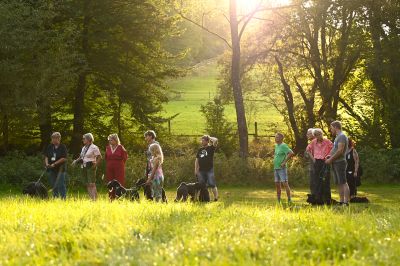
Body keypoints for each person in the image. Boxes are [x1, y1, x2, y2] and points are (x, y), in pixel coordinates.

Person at [325, 121, 350, 206]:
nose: (330, 130)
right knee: (339, 182)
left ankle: (346, 202)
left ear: (336, 127)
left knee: (343, 182)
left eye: (331, 128)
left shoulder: (342, 136)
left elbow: (340, 151)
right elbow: (336, 149)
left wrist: (330, 159)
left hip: (340, 162)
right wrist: (329, 155)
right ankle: (341, 201)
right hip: (335, 162)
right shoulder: (337, 137)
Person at [306, 128, 333, 203]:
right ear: (315, 136)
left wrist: (329, 156)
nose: (319, 136)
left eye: (320, 134)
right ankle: (318, 199)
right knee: (317, 181)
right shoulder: (313, 142)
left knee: (326, 180)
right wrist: (313, 159)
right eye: (317, 135)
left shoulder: (327, 141)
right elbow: (308, 150)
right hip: (317, 162)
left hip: (325, 161)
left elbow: (333, 149)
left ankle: (327, 199)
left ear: (322, 134)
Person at [72, 133, 102, 201]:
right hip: (84, 166)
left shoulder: (94, 147)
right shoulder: (84, 147)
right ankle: (91, 199)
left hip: (91, 165)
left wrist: (95, 165)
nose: (82, 140)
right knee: (87, 184)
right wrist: (75, 161)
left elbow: (100, 157)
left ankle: (95, 199)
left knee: (92, 183)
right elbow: (81, 157)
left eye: (84, 138)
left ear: (89, 139)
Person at [43, 132, 68, 199]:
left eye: (54, 138)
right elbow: (46, 156)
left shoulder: (63, 147)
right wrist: (47, 163)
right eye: (52, 138)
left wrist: (54, 164)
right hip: (51, 168)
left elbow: (64, 158)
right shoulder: (50, 146)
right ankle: (55, 197)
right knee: (53, 184)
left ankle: (63, 198)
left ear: (59, 139)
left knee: (60, 184)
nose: (53, 140)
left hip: (60, 169)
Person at [195, 135, 219, 201]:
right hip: (201, 171)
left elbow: (216, 140)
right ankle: (196, 198)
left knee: (212, 184)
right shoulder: (200, 150)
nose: (201, 142)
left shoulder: (211, 148)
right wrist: (196, 169)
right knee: (200, 185)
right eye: (201, 140)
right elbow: (197, 160)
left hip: (209, 170)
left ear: (207, 141)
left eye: (203, 140)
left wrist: (209, 137)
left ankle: (216, 198)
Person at [105, 133, 128, 200]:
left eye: (111, 140)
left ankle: (120, 198)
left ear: (116, 140)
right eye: (109, 140)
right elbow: (106, 157)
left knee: (119, 181)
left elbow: (125, 157)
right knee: (110, 182)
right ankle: (111, 198)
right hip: (109, 166)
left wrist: (120, 164)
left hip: (119, 166)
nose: (110, 141)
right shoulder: (108, 148)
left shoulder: (121, 147)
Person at [273, 133, 294, 204]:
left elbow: (291, 153)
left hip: (282, 168)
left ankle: (289, 200)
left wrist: (284, 162)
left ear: (281, 138)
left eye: (277, 137)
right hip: (276, 167)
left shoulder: (283, 145)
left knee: (285, 183)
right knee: (277, 184)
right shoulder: (276, 145)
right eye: (275, 137)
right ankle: (278, 200)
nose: (276, 138)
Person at [304, 128, 316, 196]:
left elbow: (308, 154)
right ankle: (314, 197)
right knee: (312, 183)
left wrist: (307, 153)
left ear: (313, 134)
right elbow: (306, 155)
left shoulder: (316, 142)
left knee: (314, 183)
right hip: (311, 166)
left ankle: (316, 197)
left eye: (308, 133)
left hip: (316, 166)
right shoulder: (310, 143)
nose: (306, 135)